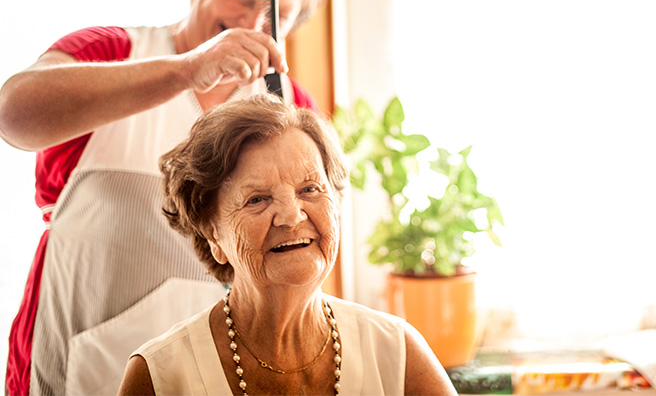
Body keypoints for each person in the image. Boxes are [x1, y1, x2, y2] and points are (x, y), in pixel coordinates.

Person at [0, 0, 329, 395]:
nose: (250, 21)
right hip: (80, 350)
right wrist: (186, 70)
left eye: (277, 14)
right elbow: (14, 114)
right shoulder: (111, 53)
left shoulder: (288, 107)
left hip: (211, 368)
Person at [117, 93, 457, 396]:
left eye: (309, 189)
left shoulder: (399, 355)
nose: (291, 217)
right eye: (257, 199)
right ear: (212, 233)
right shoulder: (158, 378)